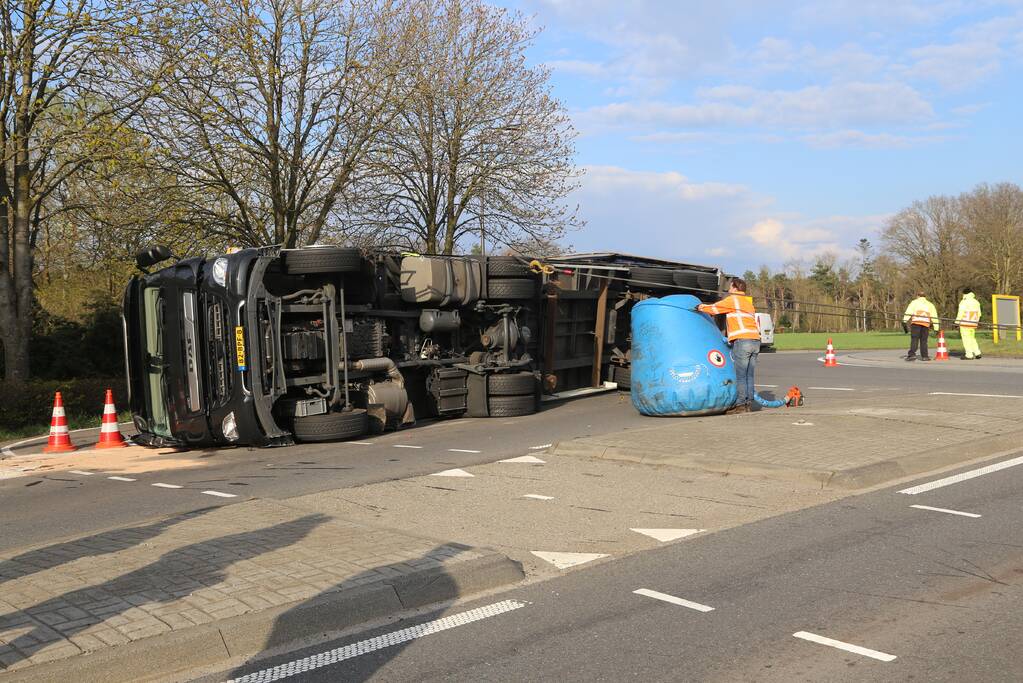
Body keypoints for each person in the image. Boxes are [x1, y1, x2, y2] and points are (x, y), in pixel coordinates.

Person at [697, 277, 760, 413]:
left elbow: (714, 309)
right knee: (749, 374)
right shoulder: (748, 303)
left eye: (730, 287)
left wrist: (700, 307)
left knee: (741, 375)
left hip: (743, 341)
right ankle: (748, 403)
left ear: (735, 288)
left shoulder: (733, 300)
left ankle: (741, 405)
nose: (729, 290)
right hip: (755, 341)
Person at [902, 291, 939, 361]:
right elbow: (934, 317)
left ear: (918, 296)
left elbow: (908, 312)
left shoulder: (914, 302)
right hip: (925, 324)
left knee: (914, 339)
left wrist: (904, 321)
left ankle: (912, 355)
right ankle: (925, 356)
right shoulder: (930, 304)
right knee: (924, 341)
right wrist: (936, 328)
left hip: (916, 323)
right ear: (925, 297)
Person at [955, 288, 982, 360]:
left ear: (964, 294)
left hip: (965, 323)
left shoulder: (964, 302)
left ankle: (969, 355)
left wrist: (957, 322)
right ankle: (977, 352)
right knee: (972, 338)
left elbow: (960, 313)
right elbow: (979, 314)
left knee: (966, 339)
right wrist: (977, 322)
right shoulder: (976, 302)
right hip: (973, 323)